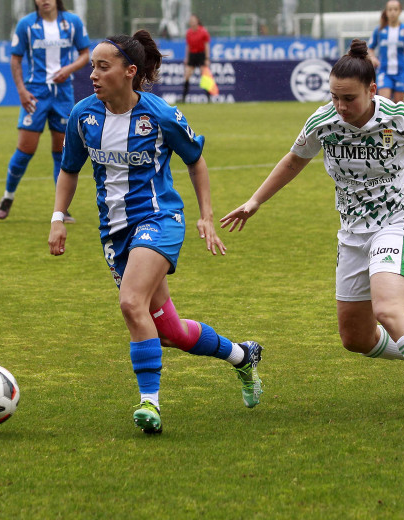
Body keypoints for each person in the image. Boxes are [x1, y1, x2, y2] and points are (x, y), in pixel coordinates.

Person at [221, 39, 404, 424]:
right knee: (355, 338)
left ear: (372, 90)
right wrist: (255, 201)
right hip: (352, 235)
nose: (340, 106)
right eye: (334, 97)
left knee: (389, 309)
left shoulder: (398, 116)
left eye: (349, 98)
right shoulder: (322, 121)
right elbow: (294, 160)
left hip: (396, 224)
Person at [48, 30, 263, 435]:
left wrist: (206, 215)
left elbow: (195, 161)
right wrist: (58, 217)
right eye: (92, 66)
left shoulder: (160, 114)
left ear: (130, 72)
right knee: (170, 332)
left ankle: (150, 404)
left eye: (102, 66)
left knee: (131, 304)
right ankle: (243, 356)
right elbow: (69, 170)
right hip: (114, 234)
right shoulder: (83, 116)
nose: (92, 74)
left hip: (159, 221)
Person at [0, 0, 91, 222]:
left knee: (61, 151)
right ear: (35, 0)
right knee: (26, 149)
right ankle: (8, 195)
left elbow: (85, 54)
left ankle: (61, 209)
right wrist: (21, 91)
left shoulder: (72, 22)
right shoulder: (26, 25)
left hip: (63, 96)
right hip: (35, 94)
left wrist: (68, 69)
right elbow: (15, 60)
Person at [367, 0, 404, 103]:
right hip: (384, 71)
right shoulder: (380, 30)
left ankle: (397, 120)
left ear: (400, 11)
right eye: (390, 9)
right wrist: (372, 57)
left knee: (398, 105)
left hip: (401, 72)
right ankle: (385, 120)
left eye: (395, 9)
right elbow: (370, 47)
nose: (392, 12)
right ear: (386, 12)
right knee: (384, 102)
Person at [181, 14, 211, 103]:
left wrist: (207, 58)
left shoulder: (203, 31)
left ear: (197, 21)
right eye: (191, 20)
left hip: (201, 55)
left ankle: (208, 98)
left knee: (204, 75)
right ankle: (183, 98)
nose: (192, 22)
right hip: (192, 55)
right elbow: (188, 46)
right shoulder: (189, 33)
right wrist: (186, 58)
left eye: (194, 20)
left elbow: (206, 45)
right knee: (187, 75)